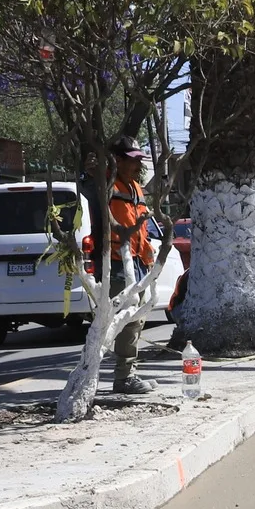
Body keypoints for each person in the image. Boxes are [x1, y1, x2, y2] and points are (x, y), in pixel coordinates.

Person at [107, 140, 156, 395]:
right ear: (117, 159)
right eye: (132, 159)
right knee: (127, 319)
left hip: (138, 261)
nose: (137, 164)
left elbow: (141, 223)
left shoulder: (135, 187)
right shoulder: (105, 184)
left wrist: (147, 250)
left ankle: (128, 373)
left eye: (138, 159)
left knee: (136, 318)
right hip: (118, 260)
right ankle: (124, 377)